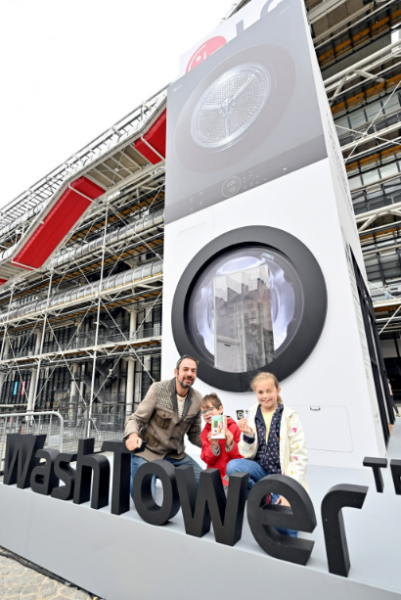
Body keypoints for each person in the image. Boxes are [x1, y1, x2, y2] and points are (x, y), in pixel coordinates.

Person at [226, 372, 308, 538]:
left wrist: (287, 491)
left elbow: (299, 457)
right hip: (260, 471)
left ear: (277, 390)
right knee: (233, 466)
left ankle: (271, 495)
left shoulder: (290, 417)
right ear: (256, 394)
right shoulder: (251, 414)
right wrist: (248, 435)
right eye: (260, 392)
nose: (265, 396)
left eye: (269, 391)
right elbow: (245, 452)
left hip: (282, 477)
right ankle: (264, 494)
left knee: (287, 531)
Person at [124, 355, 203, 497]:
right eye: (185, 369)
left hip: (175, 456)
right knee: (145, 500)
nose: (189, 374)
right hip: (147, 453)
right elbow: (135, 419)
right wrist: (132, 435)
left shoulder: (198, 399)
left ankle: (149, 475)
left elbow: (195, 435)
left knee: (205, 484)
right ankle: (137, 475)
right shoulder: (158, 389)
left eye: (193, 371)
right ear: (176, 372)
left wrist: (213, 444)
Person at [200, 393, 242, 489]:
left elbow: (241, 458)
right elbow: (207, 459)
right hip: (213, 479)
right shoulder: (205, 433)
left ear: (220, 409)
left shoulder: (234, 428)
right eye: (203, 412)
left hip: (230, 479)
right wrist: (214, 446)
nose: (206, 414)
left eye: (210, 409)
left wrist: (230, 443)